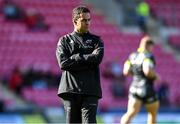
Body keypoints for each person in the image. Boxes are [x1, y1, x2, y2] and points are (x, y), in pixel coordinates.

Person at [56, 5, 104, 123]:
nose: (87, 23)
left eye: (89, 20)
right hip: (70, 90)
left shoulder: (96, 41)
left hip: (90, 90)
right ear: (75, 21)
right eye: (84, 20)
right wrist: (87, 59)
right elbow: (64, 63)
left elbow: (97, 59)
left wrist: (76, 57)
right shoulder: (64, 40)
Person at [120, 36, 160, 124]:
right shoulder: (148, 56)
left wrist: (136, 74)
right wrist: (156, 76)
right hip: (146, 87)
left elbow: (125, 71)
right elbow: (147, 71)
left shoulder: (132, 56)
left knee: (130, 113)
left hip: (134, 87)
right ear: (149, 46)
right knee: (152, 114)